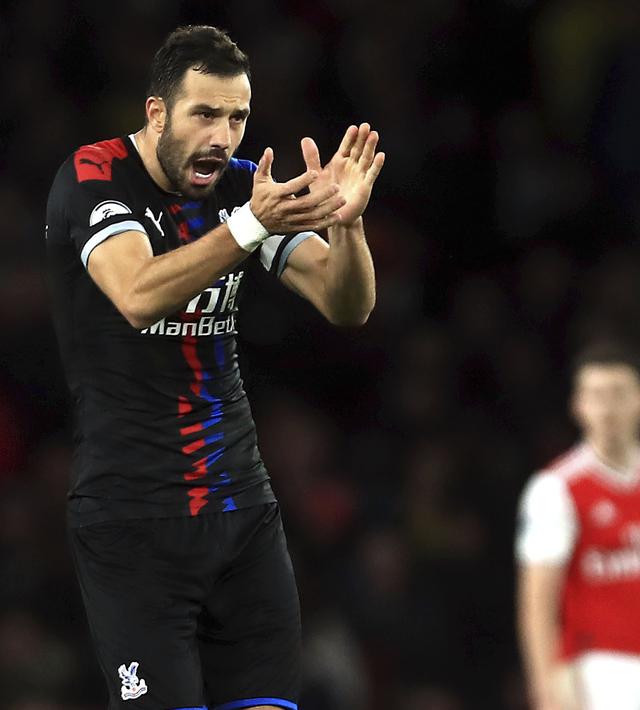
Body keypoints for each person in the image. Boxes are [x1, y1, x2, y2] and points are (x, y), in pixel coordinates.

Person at [43, 25, 384, 710]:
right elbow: (137, 295)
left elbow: (344, 304)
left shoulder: (237, 191)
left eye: (236, 117)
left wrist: (346, 227)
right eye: (205, 114)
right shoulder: (94, 178)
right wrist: (251, 227)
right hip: (133, 520)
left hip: (240, 511)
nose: (223, 137)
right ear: (157, 112)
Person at [516, 343, 640, 710]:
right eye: (595, 395)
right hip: (596, 673)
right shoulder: (557, 488)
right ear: (578, 406)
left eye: (618, 394)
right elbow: (538, 599)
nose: (607, 408)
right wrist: (546, 688)